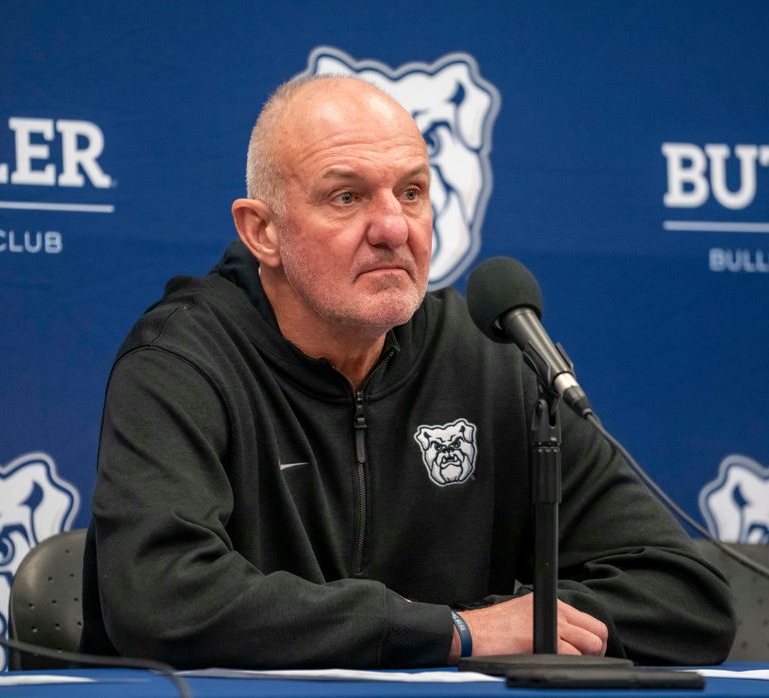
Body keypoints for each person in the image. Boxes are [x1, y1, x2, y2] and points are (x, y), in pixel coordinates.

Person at [80, 76, 735, 669]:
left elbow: (686, 597)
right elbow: (160, 598)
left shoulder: (489, 356)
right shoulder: (182, 359)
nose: (393, 227)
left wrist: (525, 623)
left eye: (413, 191)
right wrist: (454, 631)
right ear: (262, 232)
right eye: (347, 196)